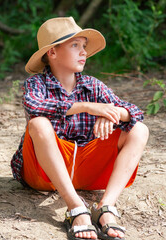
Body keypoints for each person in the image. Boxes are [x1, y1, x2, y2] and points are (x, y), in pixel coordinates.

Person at [11, 16, 149, 240]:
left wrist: (111, 113)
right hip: (43, 174)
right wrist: (88, 107)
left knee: (139, 129)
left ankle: (105, 207)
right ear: (52, 53)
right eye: (75, 45)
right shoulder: (36, 84)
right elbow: (34, 105)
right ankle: (76, 208)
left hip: (88, 171)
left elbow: (134, 112)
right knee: (38, 124)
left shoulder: (92, 85)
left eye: (84, 46)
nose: (83, 52)